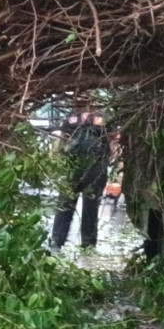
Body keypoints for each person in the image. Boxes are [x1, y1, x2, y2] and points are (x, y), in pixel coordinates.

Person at [50, 101, 111, 250]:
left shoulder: (102, 116)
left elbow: (111, 139)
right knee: (65, 204)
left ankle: (88, 245)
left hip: (95, 168)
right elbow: (62, 139)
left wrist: (107, 162)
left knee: (91, 207)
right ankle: (57, 241)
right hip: (72, 168)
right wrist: (57, 161)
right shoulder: (71, 116)